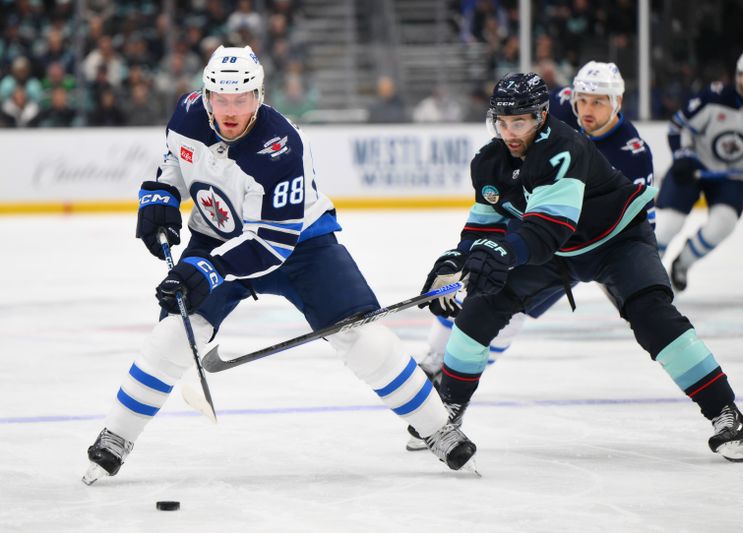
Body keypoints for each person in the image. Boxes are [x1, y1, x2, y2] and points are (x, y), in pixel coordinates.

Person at [81, 45, 476, 485]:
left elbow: (272, 244)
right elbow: (174, 158)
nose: (230, 111)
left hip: (301, 247)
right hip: (217, 235)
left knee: (364, 338)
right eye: (221, 99)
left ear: (259, 95)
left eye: (242, 99)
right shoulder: (189, 111)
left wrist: (208, 269)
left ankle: (439, 429)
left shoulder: (281, 147)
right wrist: (161, 193)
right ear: (206, 94)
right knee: (175, 333)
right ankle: (116, 436)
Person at [408, 71, 743, 464]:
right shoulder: (490, 162)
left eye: (520, 121)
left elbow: (548, 229)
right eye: (502, 121)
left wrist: (501, 252)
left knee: (653, 317)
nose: (510, 132)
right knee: (479, 308)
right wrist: (454, 260)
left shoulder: (564, 147)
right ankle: (447, 413)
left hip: (616, 241)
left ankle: (727, 416)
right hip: (556, 255)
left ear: (542, 116)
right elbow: (482, 226)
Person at [409, 62, 655, 434]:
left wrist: (630, 284)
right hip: (528, 237)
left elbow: (631, 229)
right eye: (581, 99)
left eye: (599, 102)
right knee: (477, 289)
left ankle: (450, 379)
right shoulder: (542, 111)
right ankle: (438, 365)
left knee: (507, 316)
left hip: (572, 247)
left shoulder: (631, 152)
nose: (588, 110)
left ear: (618, 103)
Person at [655, 49, 743, 291]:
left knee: (723, 224)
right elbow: (678, 126)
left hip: (734, 178)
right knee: (669, 224)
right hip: (695, 167)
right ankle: (645, 274)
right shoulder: (714, 96)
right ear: (737, 76)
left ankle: (683, 263)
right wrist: (682, 156)